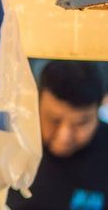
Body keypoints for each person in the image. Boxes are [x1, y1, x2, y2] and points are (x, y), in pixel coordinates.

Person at [7, 60, 108, 210]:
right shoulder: (7, 140)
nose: (64, 136)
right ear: (37, 103)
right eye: (54, 120)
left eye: (81, 123)